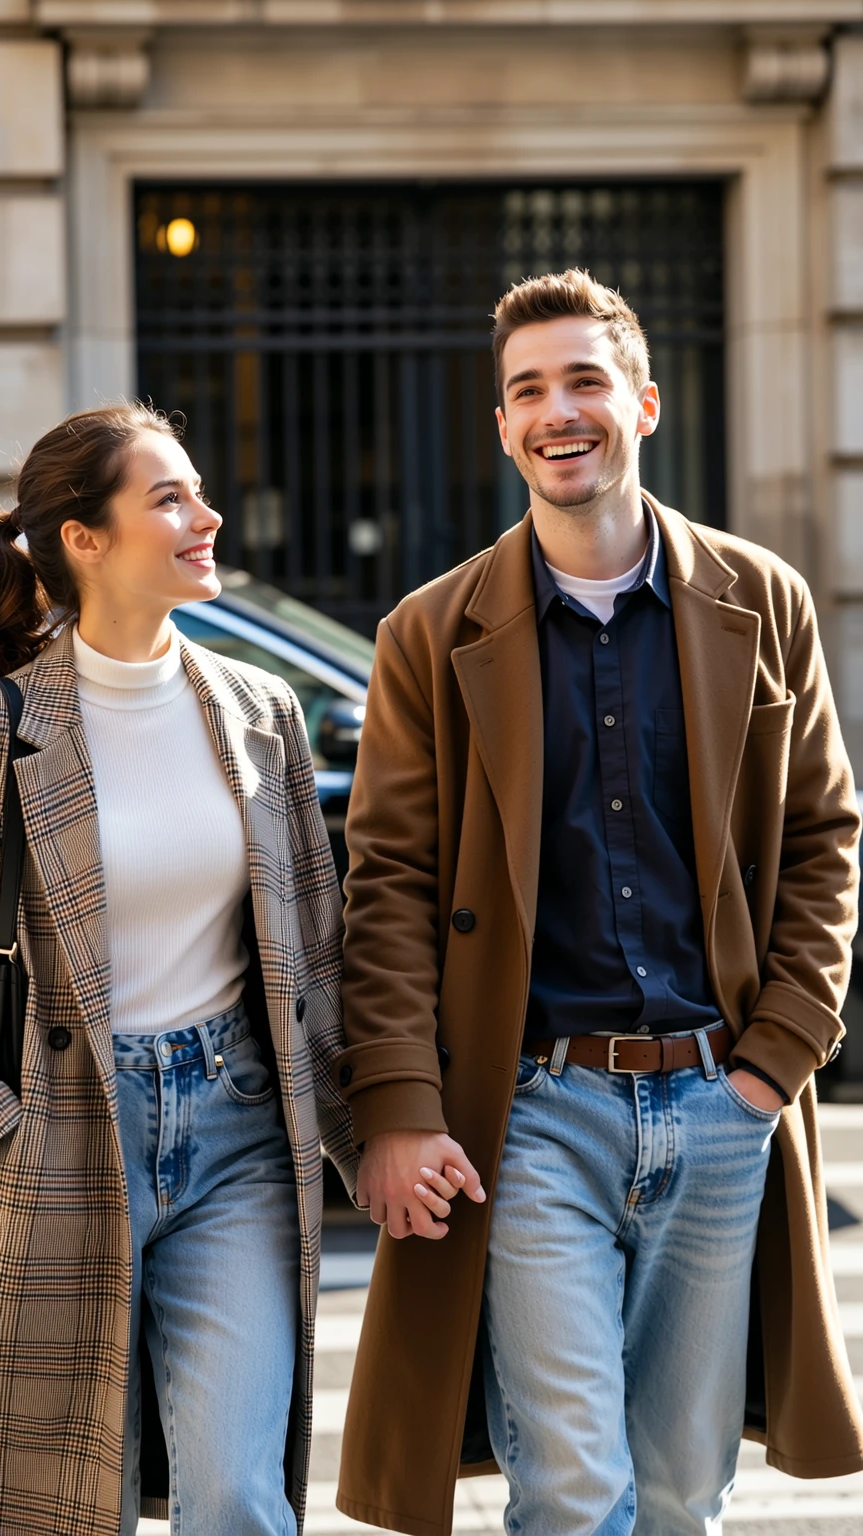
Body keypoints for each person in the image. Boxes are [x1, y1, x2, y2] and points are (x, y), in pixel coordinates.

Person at [332, 270, 863, 1536]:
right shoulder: (427, 633)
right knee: (574, 1485)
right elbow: (391, 885)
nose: (555, 411)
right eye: (526, 391)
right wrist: (401, 1107)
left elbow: (822, 842)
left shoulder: (761, 599)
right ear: (502, 425)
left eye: (583, 381)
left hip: (720, 1099)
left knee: (682, 1490)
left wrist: (771, 1066)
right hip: (531, 1110)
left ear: (644, 404)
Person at [0, 402, 358, 1536]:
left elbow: (311, 954)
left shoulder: (260, 711)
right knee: (53, 1503)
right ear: (84, 539)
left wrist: (367, 1135)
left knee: (236, 1492)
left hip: (235, 1129)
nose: (207, 515)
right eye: (169, 496)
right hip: (63, 1131)